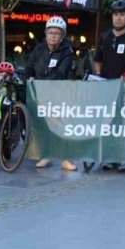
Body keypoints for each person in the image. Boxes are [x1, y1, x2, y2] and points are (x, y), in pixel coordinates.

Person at [93, 0, 125, 171]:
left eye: (122, 15)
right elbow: (97, 60)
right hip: (107, 84)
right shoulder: (105, 37)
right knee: (109, 122)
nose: (118, 18)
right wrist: (98, 75)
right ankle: (110, 157)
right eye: (115, 15)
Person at [24, 16, 75, 171]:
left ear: (62, 36)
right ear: (46, 34)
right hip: (39, 94)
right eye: (50, 32)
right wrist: (29, 77)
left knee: (61, 126)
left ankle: (66, 159)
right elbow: (29, 68)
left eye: (57, 33)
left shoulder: (67, 52)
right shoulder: (39, 49)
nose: (53, 35)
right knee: (43, 126)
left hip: (59, 94)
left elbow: (61, 72)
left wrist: (42, 79)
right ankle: (46, 155)